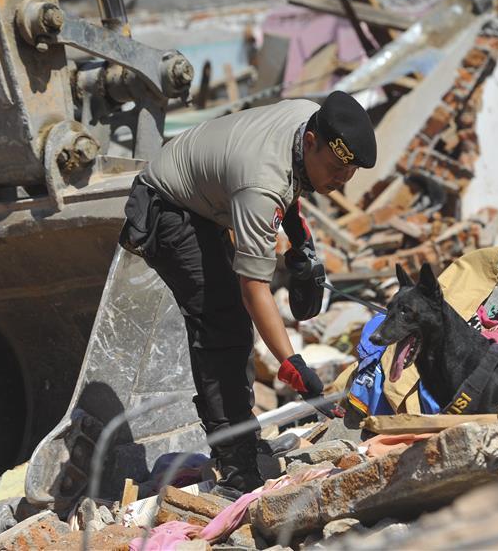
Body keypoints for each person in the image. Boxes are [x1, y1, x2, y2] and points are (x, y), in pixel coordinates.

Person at [118, 91, 376, 498]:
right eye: (334, 169)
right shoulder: (261, 184)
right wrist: (293, 365)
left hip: (205, 192)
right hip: (167, 206)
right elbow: (254, 287)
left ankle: (243, 437)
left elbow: (291, 174)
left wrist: (298, 237)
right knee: (222, 325)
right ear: (311, 142)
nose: (340, 182)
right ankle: (235, 463)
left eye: (349, 173)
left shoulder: (312, 117)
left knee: (232, 323)